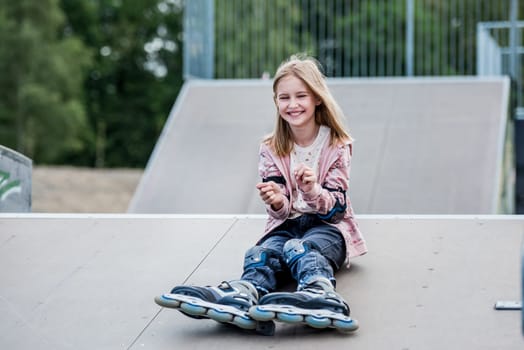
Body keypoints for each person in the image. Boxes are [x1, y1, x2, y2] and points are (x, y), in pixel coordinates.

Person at [155, 53, 367, 334]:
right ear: (276, 101)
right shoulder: (271, 147)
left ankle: (320, 292)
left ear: (317, 98)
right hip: (286, 226)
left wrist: (314, 190)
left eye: (301, 96)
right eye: (284, 98)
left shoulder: (337, 144)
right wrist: (277, 201)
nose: (292, 105)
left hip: (327, 229)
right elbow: (278, 210)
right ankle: (244, 293)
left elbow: (336, 208)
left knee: (301, 249)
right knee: (260, 253)